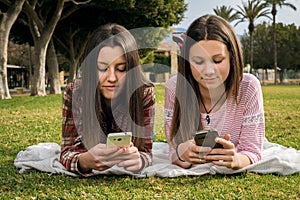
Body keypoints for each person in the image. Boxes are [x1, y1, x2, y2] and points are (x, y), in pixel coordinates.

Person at [164, 15, 265, 169]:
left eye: (217, 60)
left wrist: (236, 160)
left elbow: (252, 151)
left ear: (232, 57)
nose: (209, 71)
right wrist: (182, 153)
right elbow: (173, 150)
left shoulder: (249, 86)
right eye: (198, 61)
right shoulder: (175, 87)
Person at [60, 23, 155, 176]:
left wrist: (140, 160)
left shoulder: (144, 92)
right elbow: (67, 150)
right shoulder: (76, 92)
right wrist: (84, 161)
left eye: (121, 68)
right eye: (102, 68)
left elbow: (146, 151)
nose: (112, 78)